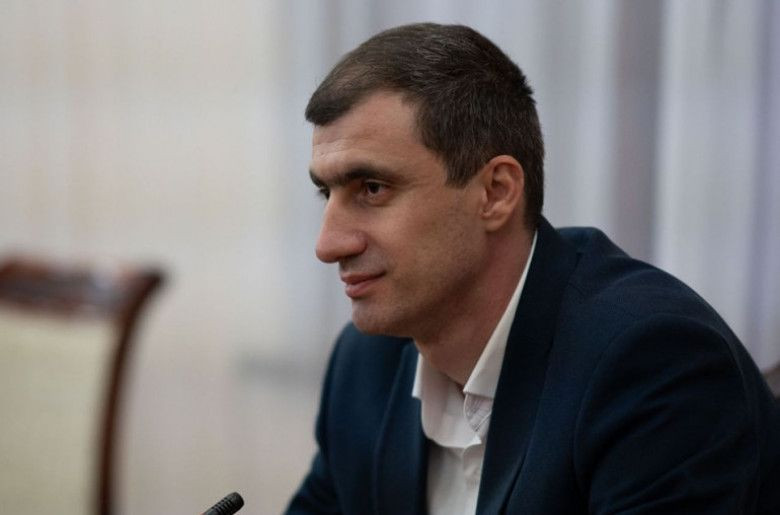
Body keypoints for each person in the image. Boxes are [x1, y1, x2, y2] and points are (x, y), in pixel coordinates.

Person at [285, 23, 780, 514]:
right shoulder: (366, 364)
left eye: (372, 189)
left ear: (496, 192)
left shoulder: (653, 364)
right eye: (327, 193)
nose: (328, 245)